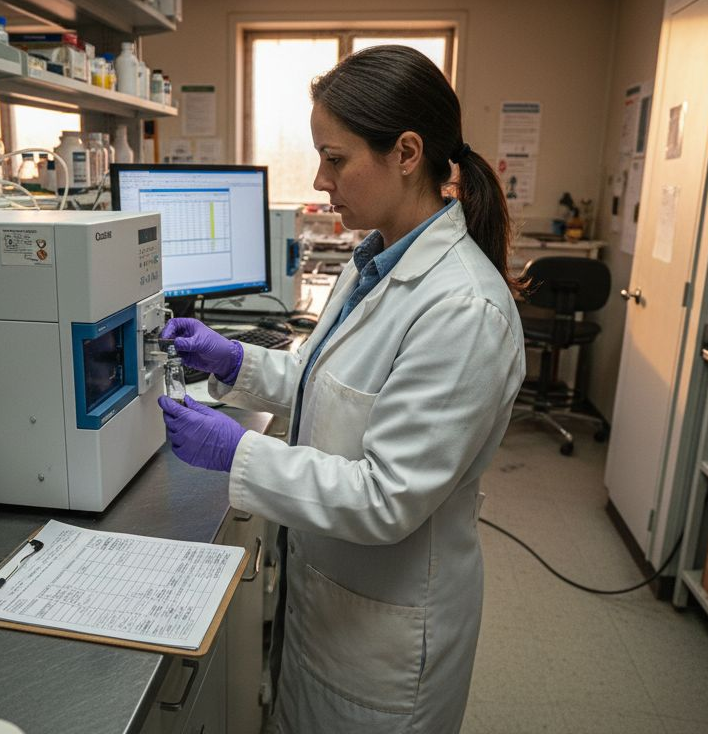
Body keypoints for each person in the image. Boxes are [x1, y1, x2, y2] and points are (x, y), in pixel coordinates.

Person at [158, 45, 526, 734]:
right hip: (327, 601)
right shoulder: (374, 263)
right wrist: (232, 360)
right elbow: (329, 384)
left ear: (407, 153)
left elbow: (387, 498)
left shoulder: (462, 310)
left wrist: (236, 453)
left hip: (387, 639)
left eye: (335, 158)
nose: (321, 179)